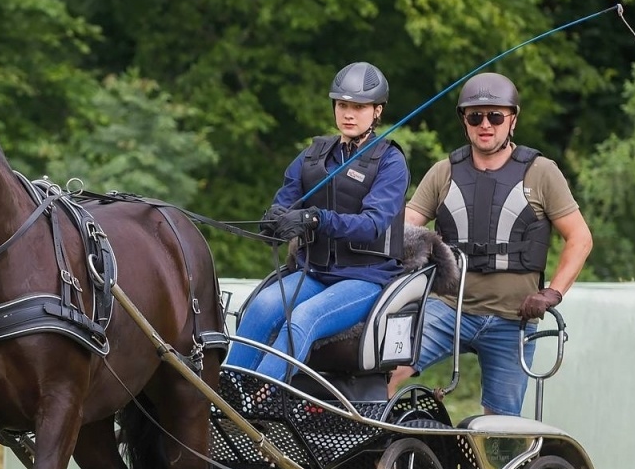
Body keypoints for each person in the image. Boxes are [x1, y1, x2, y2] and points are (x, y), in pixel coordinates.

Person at [393, 72, 593, 416]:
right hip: (446, 310)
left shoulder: (542, 173)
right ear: (465, 122)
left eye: (495, 116)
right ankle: (369, 451)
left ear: (512, 120)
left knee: (501, 429)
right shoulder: (444, 172)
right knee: (383, 368)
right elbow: (403, 226)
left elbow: (580, 237)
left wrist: (552, 294)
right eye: (475, 116)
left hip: (513, 319)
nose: (486, 124)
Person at [226, 62, 408, 382]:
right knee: (261, 307)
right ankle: (227, 390)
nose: (348, 114)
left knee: (303, 317)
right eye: (342, 105)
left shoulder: (391, 161)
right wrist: (276, 222)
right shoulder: (313, 155)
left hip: (365, 278)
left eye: (359, 107)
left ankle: (261, 396)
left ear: (377, 111)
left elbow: (372, 224)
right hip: (314, 272)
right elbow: (286, 199)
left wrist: (316, 218)